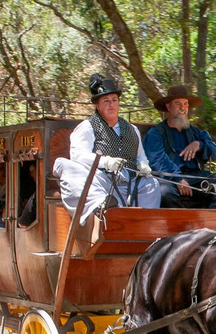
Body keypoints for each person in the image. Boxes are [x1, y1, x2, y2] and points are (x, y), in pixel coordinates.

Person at [55, 73, 159, 223]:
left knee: (152, 184)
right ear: (97, 105)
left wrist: (143, 164)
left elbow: (140, 156)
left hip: (128, 185)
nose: (111, 104)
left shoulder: (132, 129)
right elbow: (77, 156)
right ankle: (101, 207)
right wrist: (106, 162)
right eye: (106, 101)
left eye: (114, 100)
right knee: (67, 167)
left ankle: (144, 224)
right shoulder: (87, 127)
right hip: (101, 183)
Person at [143, 84, 216, 209]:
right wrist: (177, 179)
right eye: (178, 103)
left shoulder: (196, 133)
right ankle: (182, 224)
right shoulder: (156, 133)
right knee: (164, 192)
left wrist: (200, 145)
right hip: (169, 180)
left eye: (185, 104)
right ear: (168, 107)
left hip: (195, 178)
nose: (183, 108)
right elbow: (156, 160)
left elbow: (215, 153)